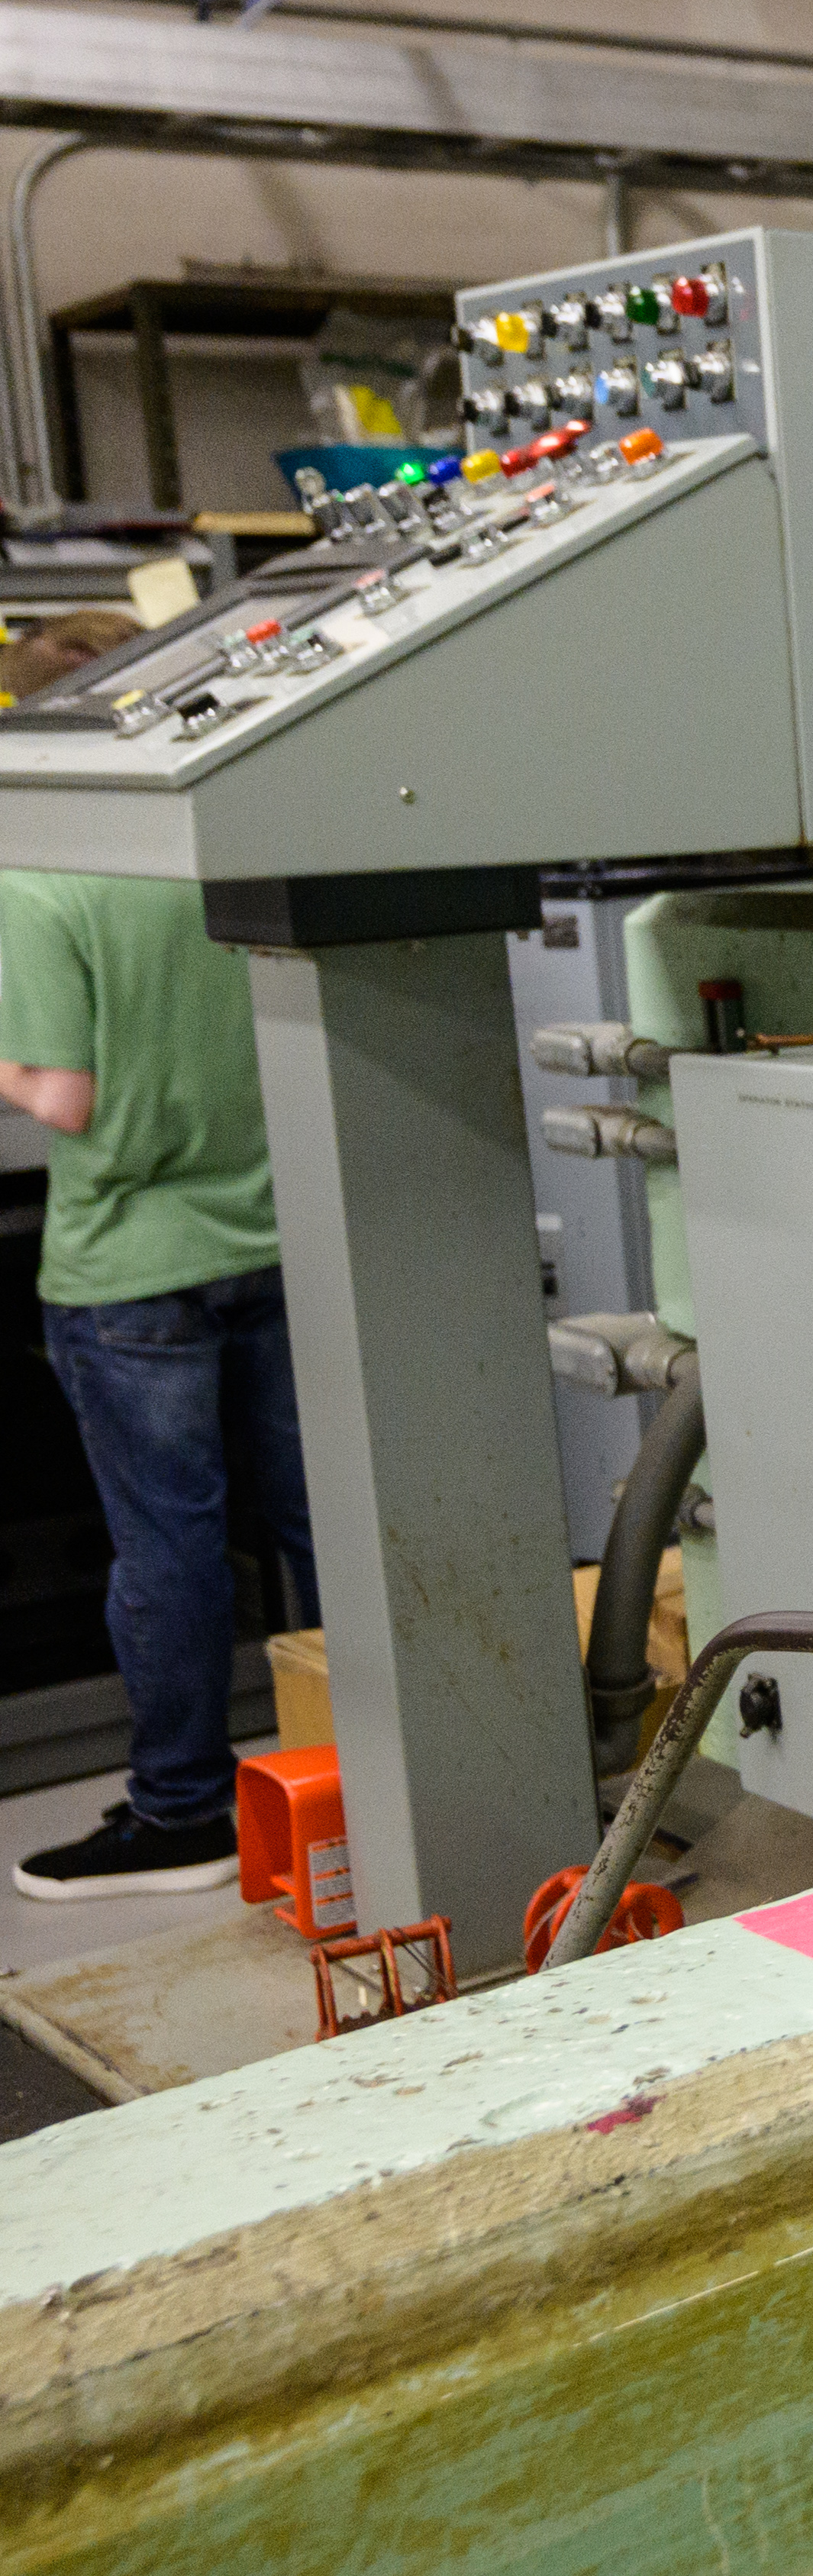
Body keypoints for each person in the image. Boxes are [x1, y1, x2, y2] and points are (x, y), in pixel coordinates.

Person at [2, 617, 319, 1903]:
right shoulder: (227, 844)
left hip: (131, 1270)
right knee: (321, 1527)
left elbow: (64, 1099)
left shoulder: (43, 873)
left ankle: (182, 1809)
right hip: (279, 1235)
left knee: (170, 1551)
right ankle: (350, 1773)